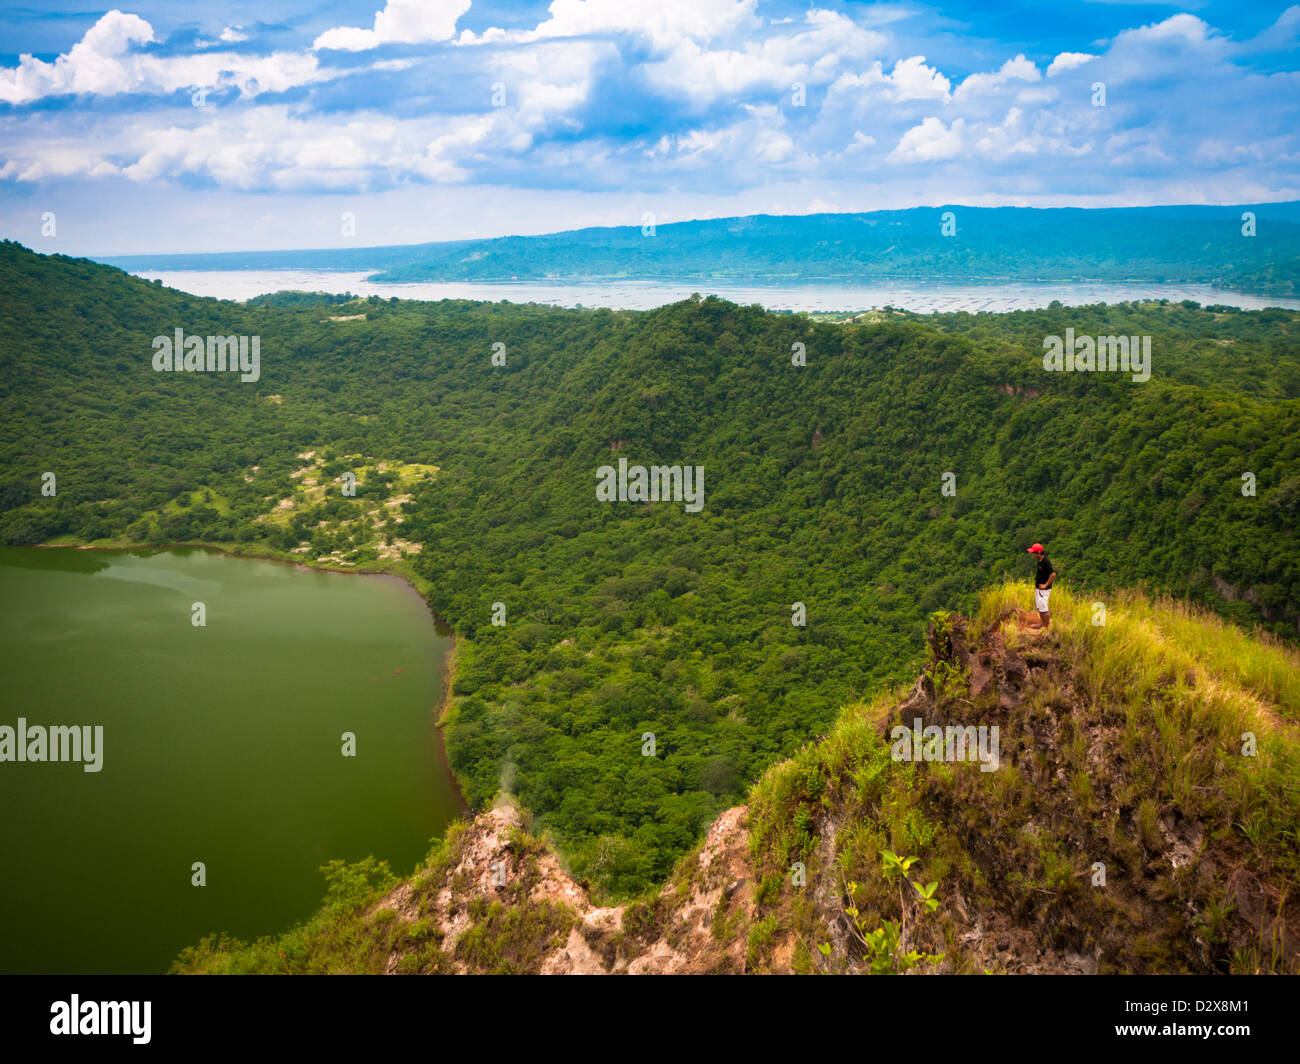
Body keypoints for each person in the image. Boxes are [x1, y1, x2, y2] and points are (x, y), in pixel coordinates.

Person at [1026, 543, 1055, 630]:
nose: (1032, 554)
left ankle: (1047, 628)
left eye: (1034, 553)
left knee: (1044, 609)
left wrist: (1046, 585)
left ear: (1039, 552)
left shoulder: (1046, 562)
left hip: (1044, 590)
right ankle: (1042, 625)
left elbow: (1053, 574)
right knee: (1040, 608)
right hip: (1039, 589)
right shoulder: (1040, 560)